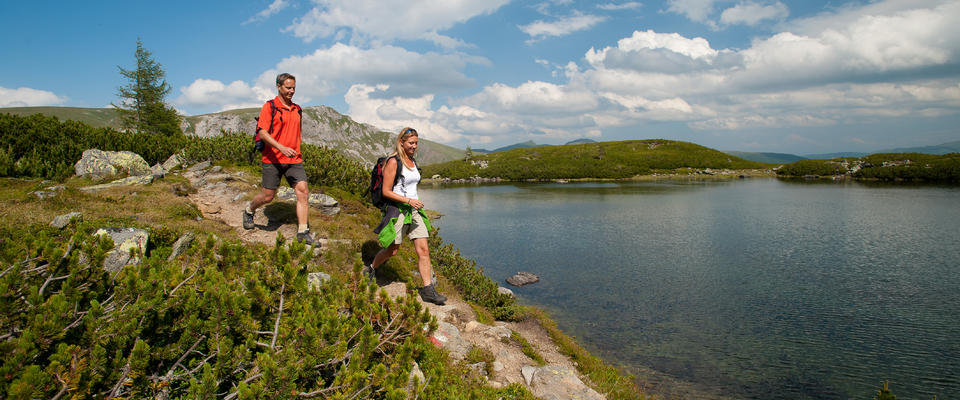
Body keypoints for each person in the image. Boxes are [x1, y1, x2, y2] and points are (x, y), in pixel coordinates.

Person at [366, 127, 446, 305]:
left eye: (416, 143)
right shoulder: (393, 162)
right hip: (398, 210)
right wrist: (408, 201)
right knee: (392, 250)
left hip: (415, 211)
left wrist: (413, 202)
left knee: (423, 250)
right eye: (411, 143)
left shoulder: (412, 161)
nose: (414, 146)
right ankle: (371, 268)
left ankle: (428, 290)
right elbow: (386, 191)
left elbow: (411, 186)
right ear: (401, 142)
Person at [241, 73, 316, 246]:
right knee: (268, 197)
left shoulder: (297, 109)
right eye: (288, 88)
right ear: (279, 86)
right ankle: (249, 209)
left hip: (294, 159)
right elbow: (262, 132)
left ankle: (302, 231)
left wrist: (294, 150)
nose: (291, 91)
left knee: (303, 191)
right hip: (272, 158)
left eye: (294, 88)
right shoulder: (269, 107)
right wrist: (281, 147)